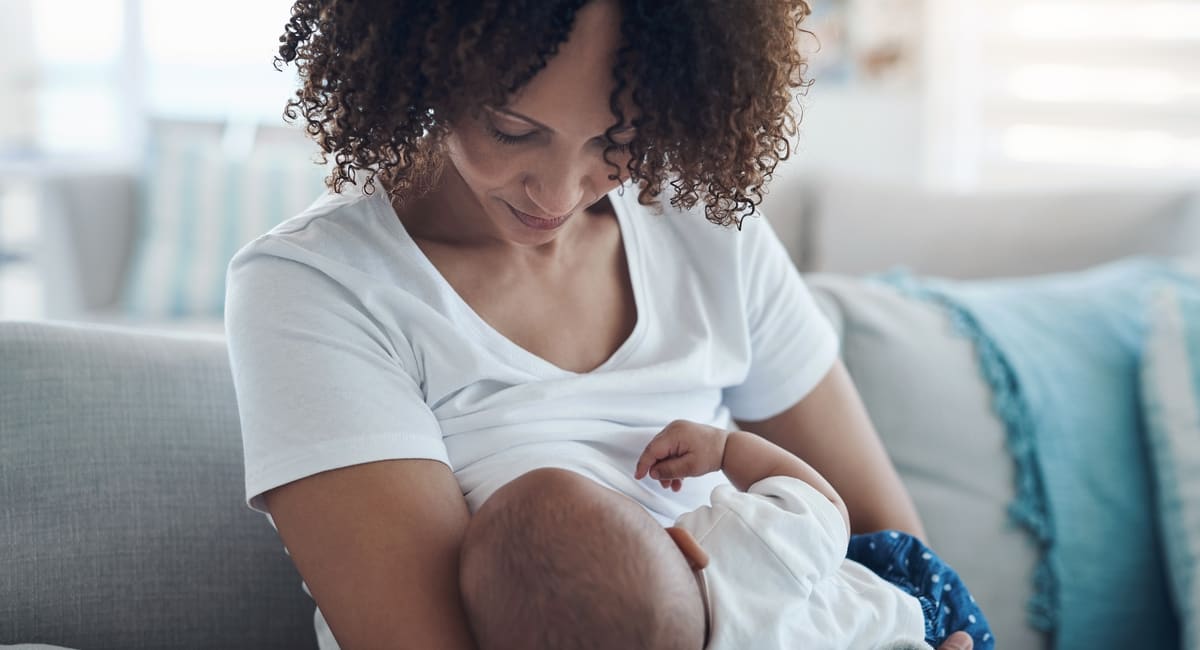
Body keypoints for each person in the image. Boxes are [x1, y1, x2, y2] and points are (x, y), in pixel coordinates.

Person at [225, 0, 975, 648]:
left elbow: (893, 547)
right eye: (512, 129)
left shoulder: (707, 231)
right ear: (423, 64)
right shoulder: (317, 287)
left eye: (616, 142)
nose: (556, 193)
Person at [458, 420, 993, 649]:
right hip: (921, 617)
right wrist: (725, 449)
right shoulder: (736, 541)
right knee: (871, 558)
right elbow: (828, 508)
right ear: (685, 545)